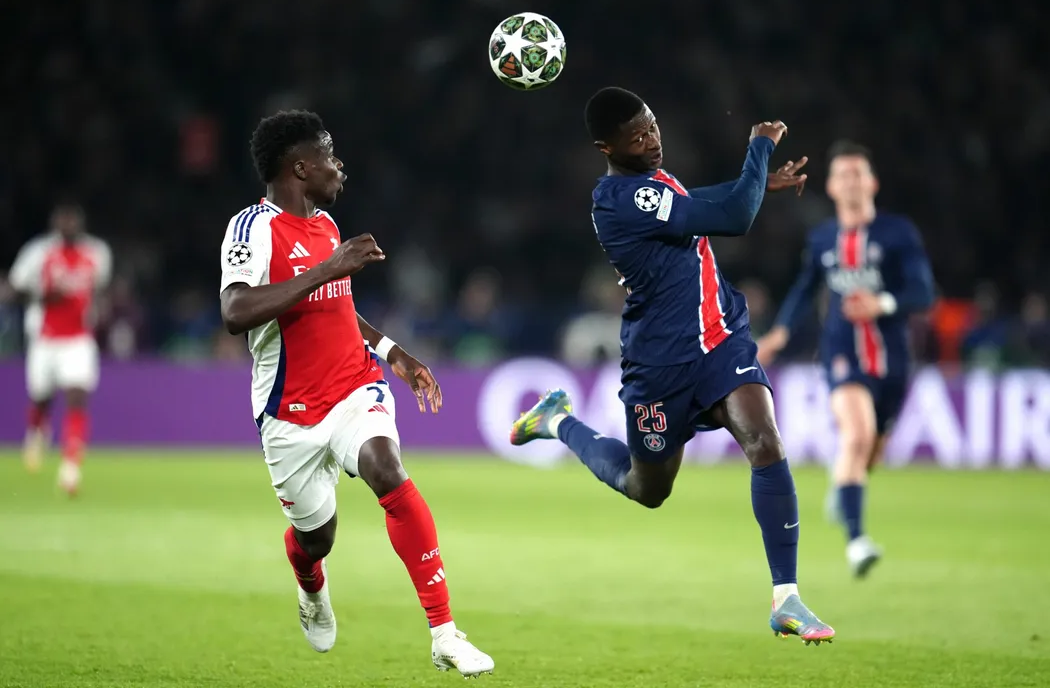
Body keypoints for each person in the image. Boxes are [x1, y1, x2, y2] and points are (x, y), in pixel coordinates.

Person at [510, 87, 834, 645]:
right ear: (606, 148)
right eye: (636, 137)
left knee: (764, 441)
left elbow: (696, 201)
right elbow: (732, 217)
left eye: (653, 125)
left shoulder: (652, 183)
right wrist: (758, 150)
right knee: (647, 488)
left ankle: (787, 598)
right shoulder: (618, 198)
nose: (651, 140)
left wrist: (757, 184)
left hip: (721, 338)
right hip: (660, 363)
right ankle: (557, 420)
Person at [218, 110, 493, 676]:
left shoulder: (325, 226)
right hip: (288, 411)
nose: (339, 165)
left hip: (352, 387)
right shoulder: (252, 229)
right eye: (329, 155)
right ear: (300, 167)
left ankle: (444, 633)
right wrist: (329, 267)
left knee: (387, 470)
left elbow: (337, 306)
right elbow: (235, 312)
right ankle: (309, 582)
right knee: (316, 537)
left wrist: (393, 353)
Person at [756, 140, 934, 577]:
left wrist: (882, 303)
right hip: (841, 354)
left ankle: (843, 486)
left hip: (892, 360)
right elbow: (805, 289)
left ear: (872, 182)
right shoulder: (822, 239)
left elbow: (923, 291)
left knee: (870, 451)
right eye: (842, 175)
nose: (851, 182)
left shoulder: (898, 233)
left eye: (858, 174)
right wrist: (779, 332)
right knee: (857, 435)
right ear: (832, 187)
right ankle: (857, 542)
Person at [9, 203, 112, 495]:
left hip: (79, 339)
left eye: (73, 221)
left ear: (80, 224)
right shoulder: (38, 252)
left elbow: (99, 287)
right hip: (44, 338)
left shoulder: (97, 253)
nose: (68, 226)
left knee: (77, 398)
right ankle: (36, 432)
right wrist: (42, 294)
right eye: (63, 221)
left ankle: (70, 467)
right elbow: (15, 288)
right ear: (55, 224)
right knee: (41, 399)